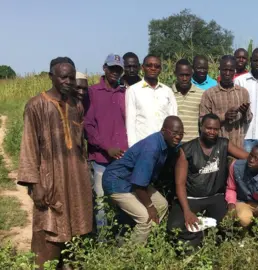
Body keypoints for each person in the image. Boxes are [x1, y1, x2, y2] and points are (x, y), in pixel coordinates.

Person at [18, 57, 92, 269]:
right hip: (50, 178)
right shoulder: (36, 105)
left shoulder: (75, 105)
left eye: (71, 76)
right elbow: (29, 146)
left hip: (76, 178)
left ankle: (68, 264)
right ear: (52, 77)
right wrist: (35, 184)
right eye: (63, 77)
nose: (68, 81)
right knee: (49, 226)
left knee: (76, 222)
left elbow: (79, 145)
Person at [167, 114, 258, 250]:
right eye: (208, 128)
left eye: (215, 129)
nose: (212, 132)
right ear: (201, 127)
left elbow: (249, 157)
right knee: (174, 227)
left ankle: (215, 244)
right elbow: (180, 184)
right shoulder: (187, 150)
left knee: (229, 223)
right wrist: (187, 211)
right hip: (191, 198)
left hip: (215, 197)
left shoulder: (223, 143)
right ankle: (195, 245)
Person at [102, 116, 184, 244]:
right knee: (145, 217)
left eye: (181, 134)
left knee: (162, 205)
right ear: (163, 131)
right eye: (174, 133)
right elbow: (138, 185)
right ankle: (132, 256)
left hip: (133, 179)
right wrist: (150, 207)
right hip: (117, 181)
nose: (178, 137)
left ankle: (146, 241)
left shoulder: (168, 142)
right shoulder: (151, 148)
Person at [84, 53, 128, 232]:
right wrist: (106, 147)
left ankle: (120, 236)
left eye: (118, 69)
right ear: (104, 68)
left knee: (121, 200)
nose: (114, 72)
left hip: (122, 158)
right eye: (112, 68)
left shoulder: (125, 93)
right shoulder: (93, 92)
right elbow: (88, 125)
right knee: (101, 202)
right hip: (101, 158)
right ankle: (103, 241)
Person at [225, 143, 258, 253]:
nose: (251, 160)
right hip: (243, 202)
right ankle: (243, 235)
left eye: (257, 159)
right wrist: (231, 203)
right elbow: (231, 188)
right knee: (244, 218)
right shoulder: (236, 166)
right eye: (251, 155)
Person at [200, 55, 252, 148]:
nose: (227, 73)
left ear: (235, 71)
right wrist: (224, 117)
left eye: (231, 70)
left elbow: (248, 120)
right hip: (216, 146)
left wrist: (244, 113)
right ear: (219, 69)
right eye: (224, 70)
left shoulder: (243, 92)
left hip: (238, 146)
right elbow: (202, 121)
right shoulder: (209, 94)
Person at [126, 55, 177, 147]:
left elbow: (173, 119)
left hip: (164, 146)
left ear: (160, 69)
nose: (153, 68)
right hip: (142, 145)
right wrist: (132, 148)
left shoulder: (167, 91)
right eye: (149, 65)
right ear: (143, 67)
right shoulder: (133, 90)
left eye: (157, 66)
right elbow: (130, 122)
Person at [173, 59, 203, 142]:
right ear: (175, 74)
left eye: (187, 75)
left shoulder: (201, 94)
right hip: (173, 143)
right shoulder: (168, 94)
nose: (184, 78)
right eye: (181, 75)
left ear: (192, 74)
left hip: (194, 143)